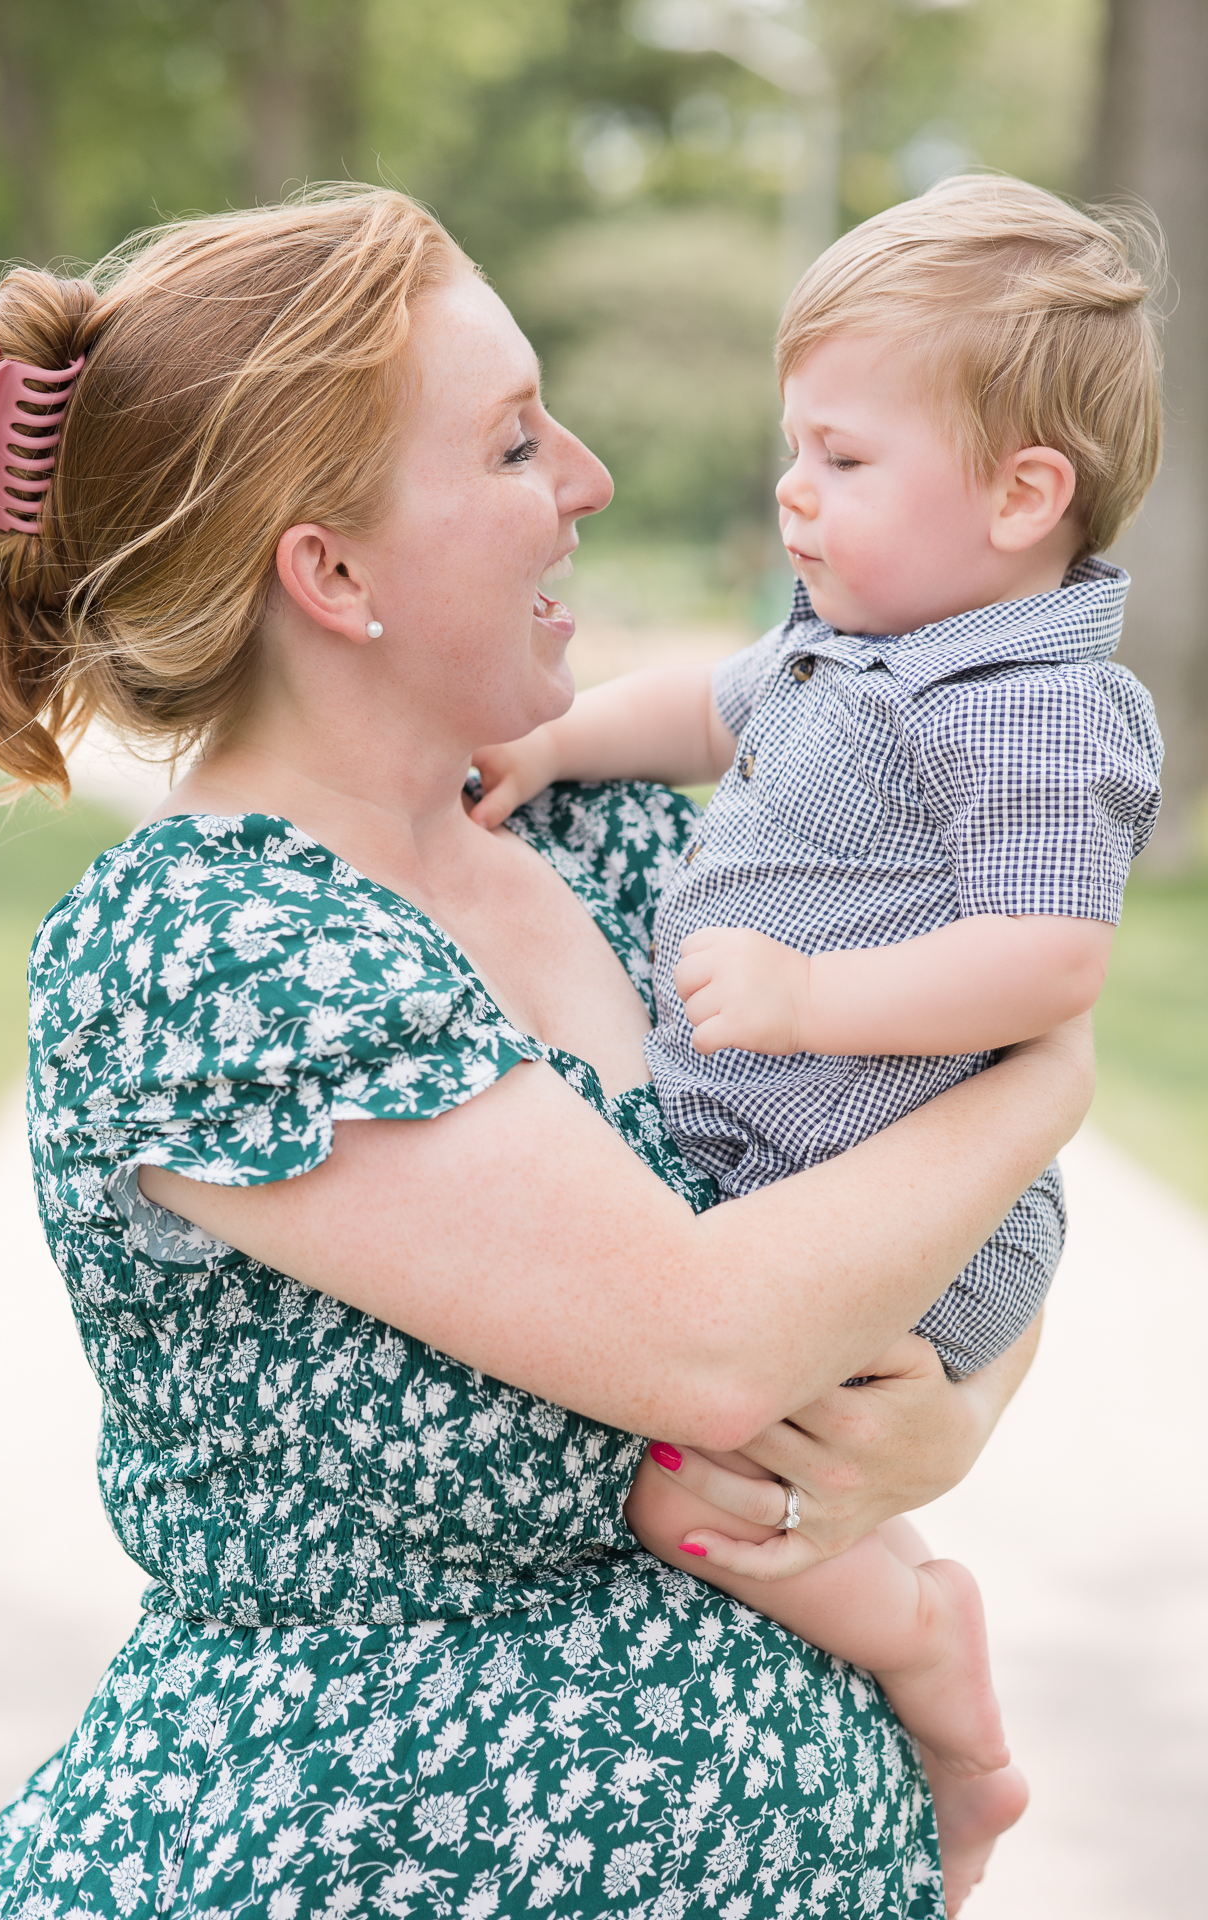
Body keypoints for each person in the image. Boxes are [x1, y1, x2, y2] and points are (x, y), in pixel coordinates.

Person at [0, 188, 1091, 1920]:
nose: (590, 477)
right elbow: (707, 1341)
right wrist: (1053, 1072)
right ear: (330, 573)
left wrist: (949, 1429)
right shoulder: (207, 952)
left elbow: (919, 1203)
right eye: (512, 442)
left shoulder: (613, 843)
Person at [469, 171, 1163, 1899]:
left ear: (1023, 496)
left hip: (917, 1218)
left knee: (668, 1482)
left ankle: (931, 1655)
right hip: (792, 1171)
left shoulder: (1033, 703)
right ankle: (900, 1608)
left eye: (844, 459)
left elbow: (1050, 961)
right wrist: (557, 748)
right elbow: (705, 705)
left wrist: (809, 998)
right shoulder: (843, 648)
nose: (793, 488)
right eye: (798, 446)